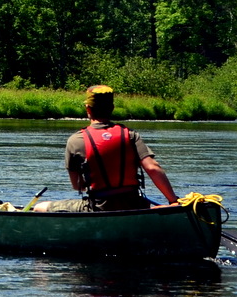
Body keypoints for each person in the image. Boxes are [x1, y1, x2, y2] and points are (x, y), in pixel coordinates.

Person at [36, 85, 179, 212]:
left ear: (88, 109)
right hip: (135, 204)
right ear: (112, 108)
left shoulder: (75, 141)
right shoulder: (130, 135)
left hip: (98, 207)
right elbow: (153, 168)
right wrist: (173, 201)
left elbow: (78, 186)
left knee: (39, 207)